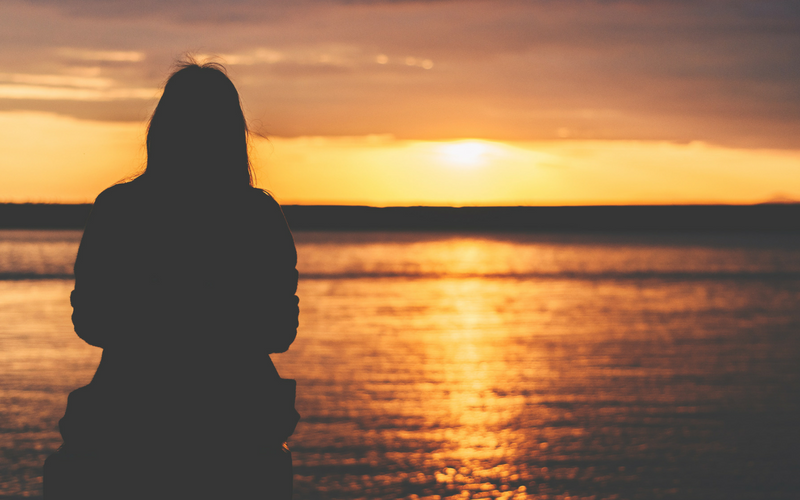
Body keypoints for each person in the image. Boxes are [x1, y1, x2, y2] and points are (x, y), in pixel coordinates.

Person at [43, 61, 300, 499]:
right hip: (237, 434)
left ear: (161, 129)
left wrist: (156, 316)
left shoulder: (118, 209)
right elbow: (279, 331)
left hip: (126, 426)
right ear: (232, 133)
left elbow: (89, 320)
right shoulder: (257, 216)